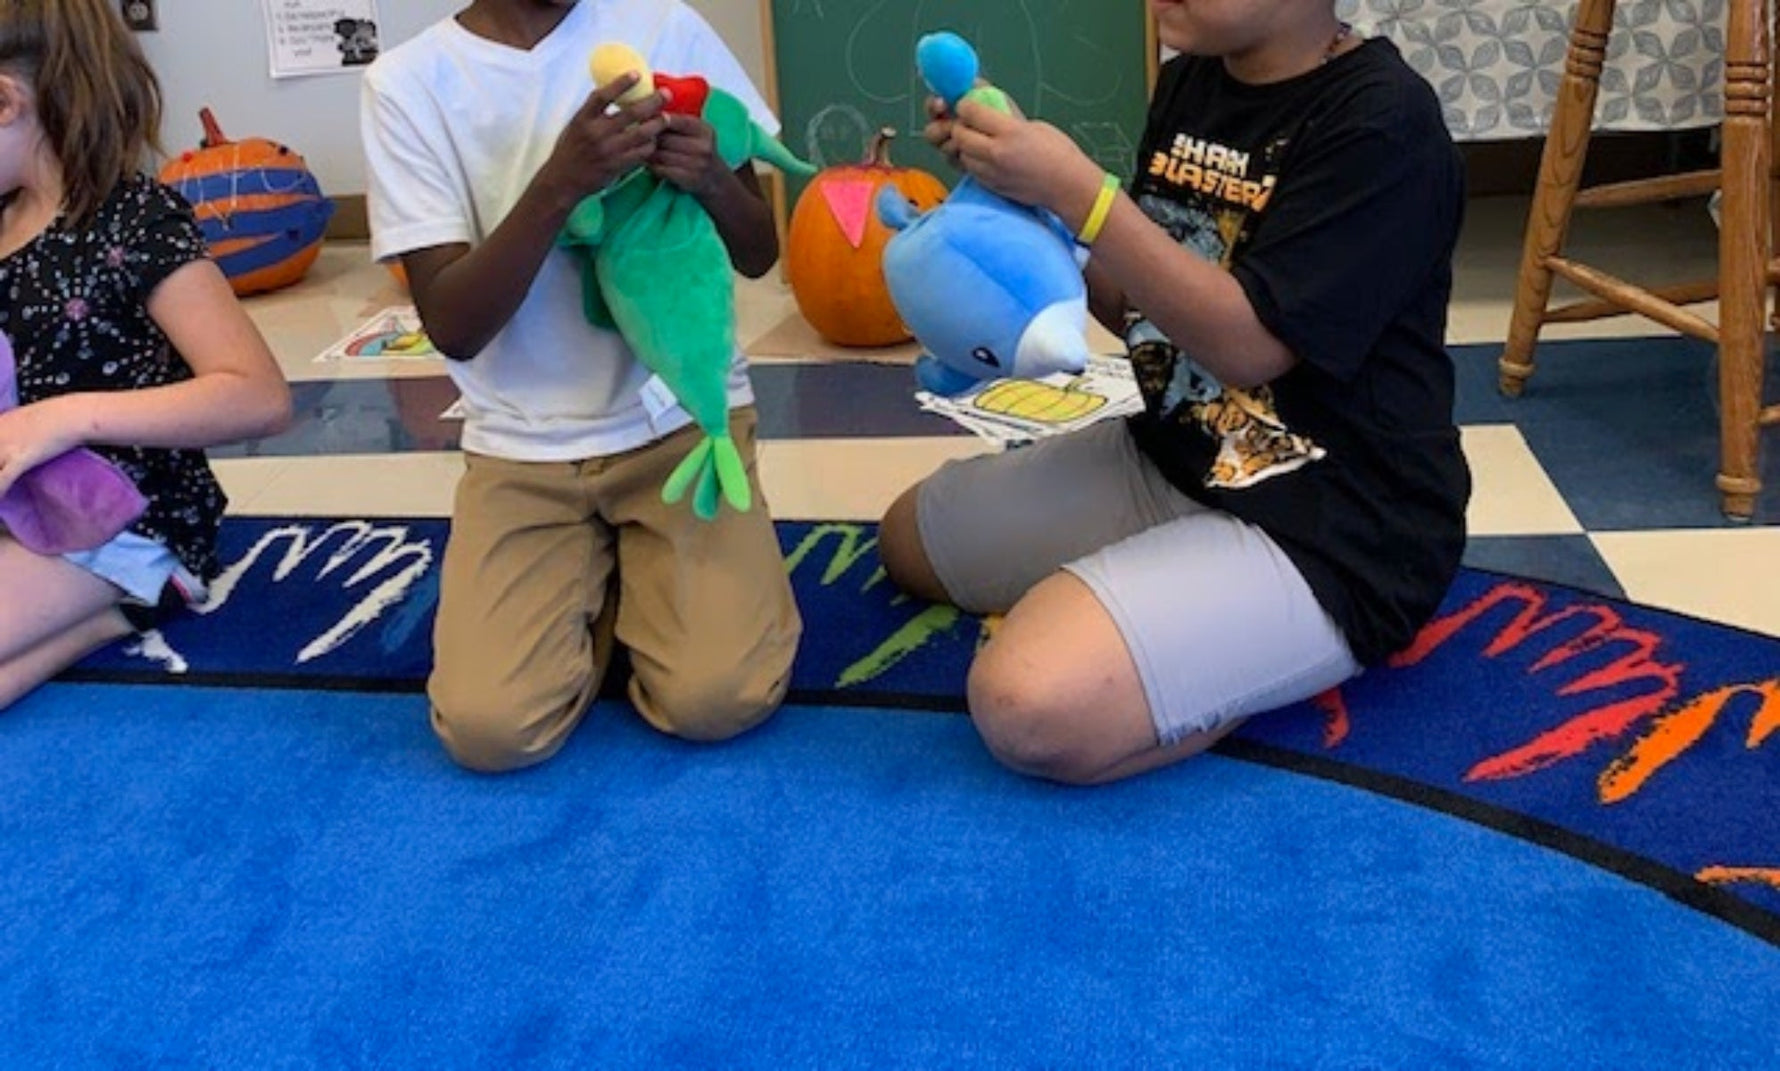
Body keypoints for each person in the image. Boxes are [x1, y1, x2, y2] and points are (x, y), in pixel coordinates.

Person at [879, 0, 1471, 785]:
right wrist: (1031, 197)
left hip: (1336, 527)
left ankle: (1231, 669)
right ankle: (1177, 632)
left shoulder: (1385, 121)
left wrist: (1082, 195)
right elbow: (1142, 305)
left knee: (1024, 704)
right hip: (1174, 458)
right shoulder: (1193, 80)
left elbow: (1248, 345)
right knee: (908, 542)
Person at [360, 0, 801, 773]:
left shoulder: (666, 27)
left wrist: (709, 178)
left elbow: (759, 250)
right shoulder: (406, 83)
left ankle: (636, 578)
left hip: (681, 429)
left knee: (719, 697)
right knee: (490, 730)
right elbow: (455, 325)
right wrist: (560, 185)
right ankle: (613, 577)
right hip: (523, 451)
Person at [0, 0, 293, 711]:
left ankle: (146, 585)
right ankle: (127, 607)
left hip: (120, 522)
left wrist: (63, 417)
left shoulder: (134, 221)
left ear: (6, 102)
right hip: (21, 506)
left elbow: (259, 396)